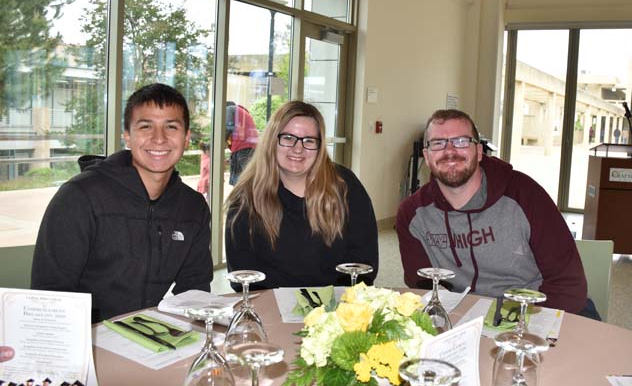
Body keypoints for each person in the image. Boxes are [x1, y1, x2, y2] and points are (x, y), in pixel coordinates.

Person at [32, 83, 213, 323]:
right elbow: (50, 295)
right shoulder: (79, 197)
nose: (159, 138)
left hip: (148, 336)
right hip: (88, 339)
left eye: (171, 126)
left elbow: (194, 291)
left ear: (187, 137)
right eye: (145, 126)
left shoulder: (193, 207)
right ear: (127, 135)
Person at [396, 109, 595, 317]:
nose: (450, 151)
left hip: (537, 312)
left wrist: (510, 320)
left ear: (479, 151)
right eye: (438, 143)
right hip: (464, 318)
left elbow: (569, 286)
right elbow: (421, 288)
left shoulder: (525, 195)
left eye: (461, 141)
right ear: (426, 157)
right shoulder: (413, 215)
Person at [226, 101, 378, 289]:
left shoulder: (346, 187)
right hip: (270, 305)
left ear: (320, 146)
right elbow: (242, 274)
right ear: (272, 141)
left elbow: (364, 263)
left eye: (309, 140)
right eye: (288, 138)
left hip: (335, 306)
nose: (298, 149)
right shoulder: (245, 197)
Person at [226, 101, 259, 185]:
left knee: (240, 181)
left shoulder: (230, 109)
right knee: (246, 178)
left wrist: (220, 143)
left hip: (242, 147)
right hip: (250, 147)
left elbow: (228, 128)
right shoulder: (242, 112)